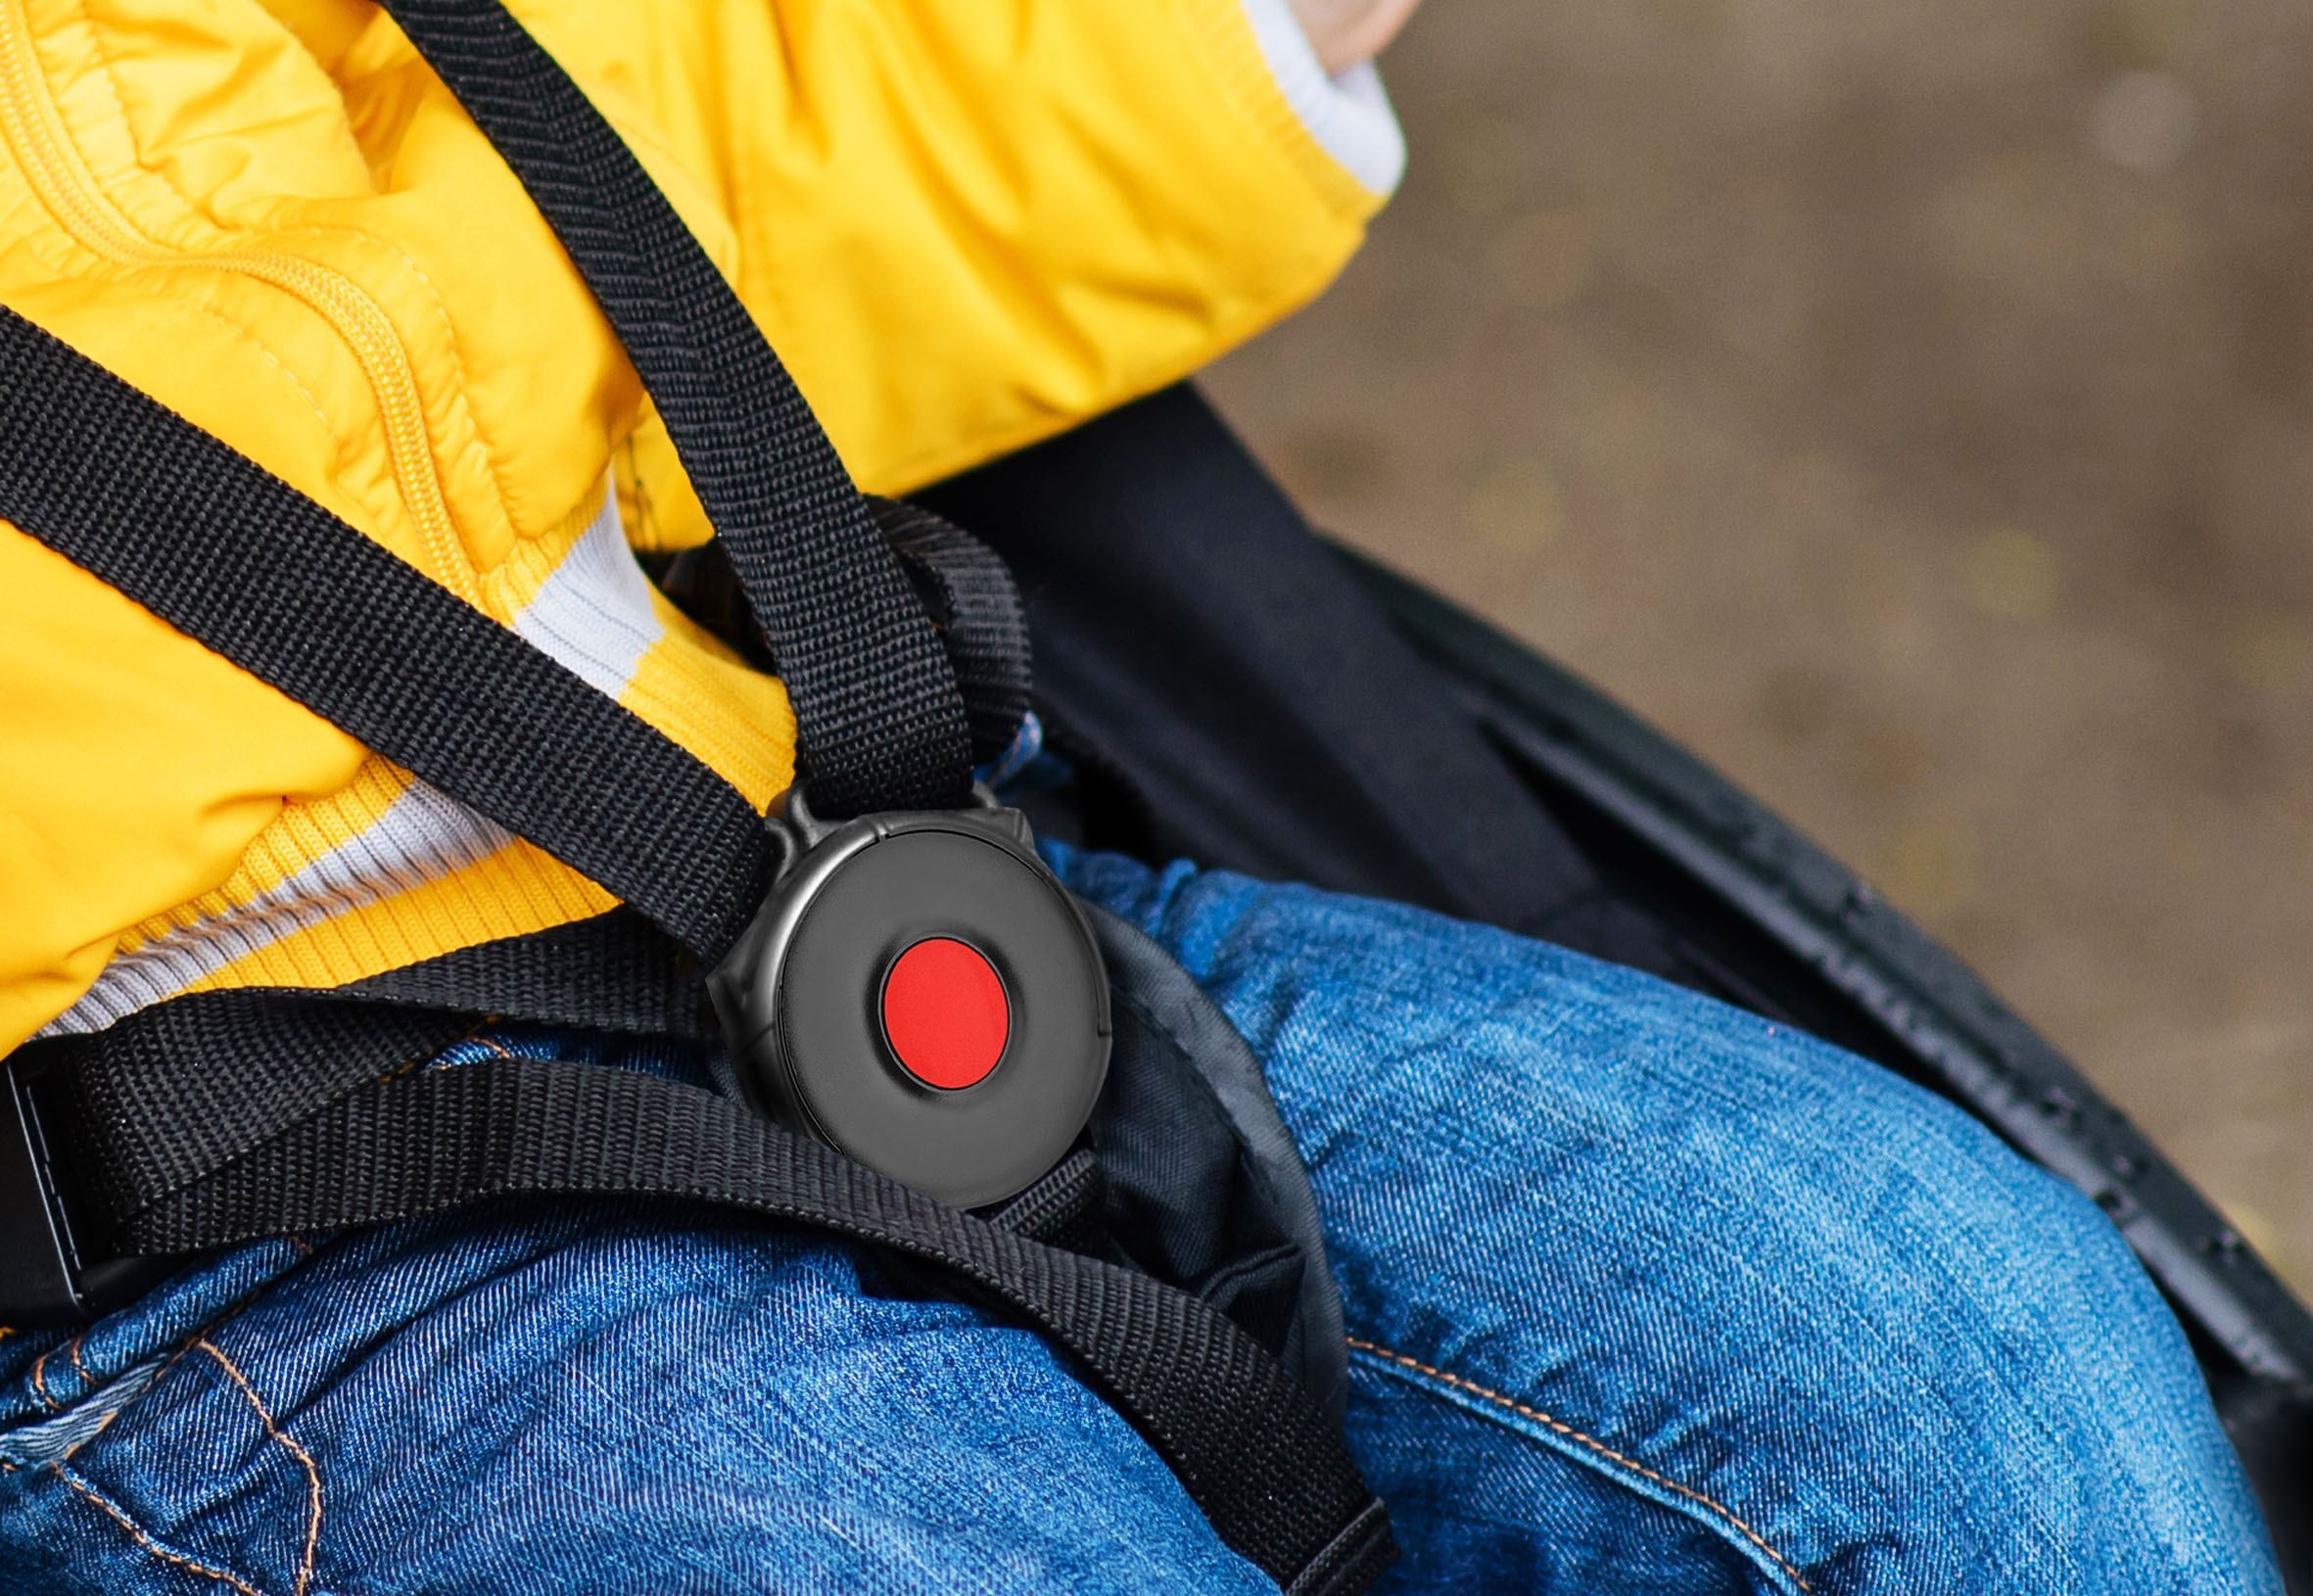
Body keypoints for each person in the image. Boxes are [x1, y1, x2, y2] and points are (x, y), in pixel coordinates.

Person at [0, 0, 2282, 1589]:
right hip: (180, 1224)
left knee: (1965, 1349)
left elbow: (400, 264)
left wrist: (1185, 44)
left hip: (791, 869)